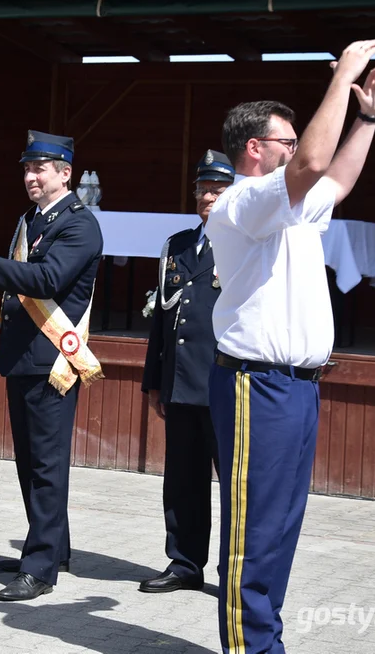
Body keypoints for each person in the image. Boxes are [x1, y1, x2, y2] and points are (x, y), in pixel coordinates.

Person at [206, 40, 375, 653]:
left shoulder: (286, 201)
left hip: (297, 385)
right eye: (286, 142)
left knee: (281, 528)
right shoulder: (244, 200)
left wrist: (366, 116)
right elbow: (315, 164)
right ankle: (250, 648)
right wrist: (342, 79)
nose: (297, 148)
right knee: (251, 531)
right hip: (254, 385)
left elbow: (335, 179)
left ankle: (267, 641)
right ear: (254, 150)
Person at [0, 130, 103, 602]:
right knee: (29, 463)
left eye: (40, 169)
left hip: (52, 362)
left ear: (65, 173)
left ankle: (41, 568)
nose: (30, 177)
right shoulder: (32, 219)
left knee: (47, 466)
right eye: (26, 168)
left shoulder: (79, 225)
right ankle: (50, 547)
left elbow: (46, 279)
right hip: (24, 357)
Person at [139, 150, 234, 594]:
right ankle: (184, 562)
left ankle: (235, 573)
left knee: (234, 487)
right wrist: (154, 381)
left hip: (223, 383)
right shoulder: (176, 245)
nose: (208, 197)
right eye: (203, 190)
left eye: (218, 190)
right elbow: (162, 320)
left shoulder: (241, 244)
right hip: (180, 384)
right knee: (182, 481)